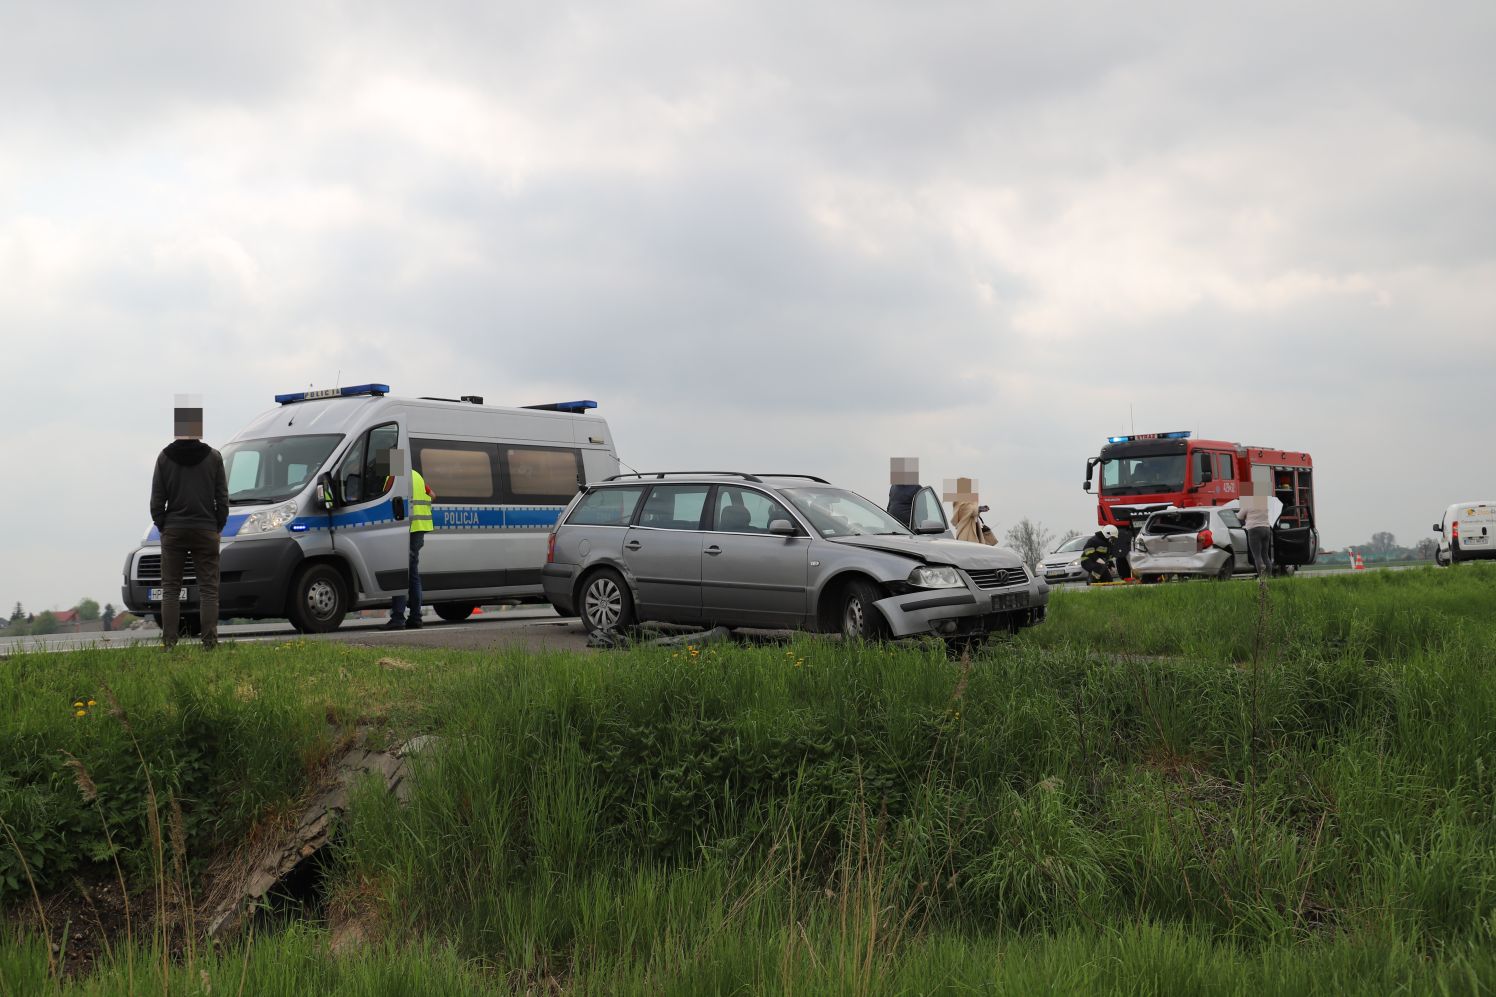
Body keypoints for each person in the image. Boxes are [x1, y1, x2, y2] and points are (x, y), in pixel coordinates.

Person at [149, 402, 228, 649]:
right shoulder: (214, 458)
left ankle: (170, 644)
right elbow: (222, 498)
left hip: (173, 530)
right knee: (208, 589)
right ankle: (209, 644)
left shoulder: (164, 458)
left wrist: (163, 525)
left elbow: (156, 501)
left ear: (177, 429)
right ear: (198, 429)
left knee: (171, 588)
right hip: (205, 530)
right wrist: (216, 526)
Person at [386, 464, 436, 629]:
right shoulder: (416, 475)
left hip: (406, 529)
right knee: (412, 574)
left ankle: (398, 618)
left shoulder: (392, 477)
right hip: (419, 529)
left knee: (401, 573)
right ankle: (415, 617)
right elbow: (433, 495)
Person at [1238, 480, 1274, 579]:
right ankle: (1269, 576)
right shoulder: (1263, 503)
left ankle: (1261, 577)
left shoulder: (1248, 502)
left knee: (1257, 555)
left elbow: (1240, 516)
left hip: (1254, 529)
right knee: (1265, 554)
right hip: (1266, 529)